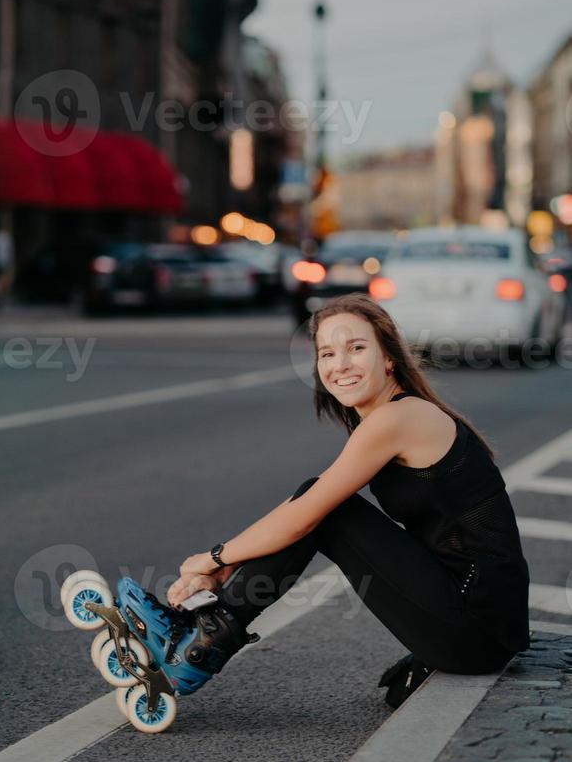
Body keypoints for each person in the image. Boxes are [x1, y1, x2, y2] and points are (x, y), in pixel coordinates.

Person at [159, 293, 530, 702]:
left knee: (331, 513)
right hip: (474, 617)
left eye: (356, 348)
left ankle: (205, 641)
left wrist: (211, 559)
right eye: (328, 353)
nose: (340, 365)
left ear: (389, 357)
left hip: (478, 629)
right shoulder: (388, 417)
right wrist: (224, 565)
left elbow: (306, 517)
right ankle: (211, 625)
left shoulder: (399, 418)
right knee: (319, 499)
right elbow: (303, 503)